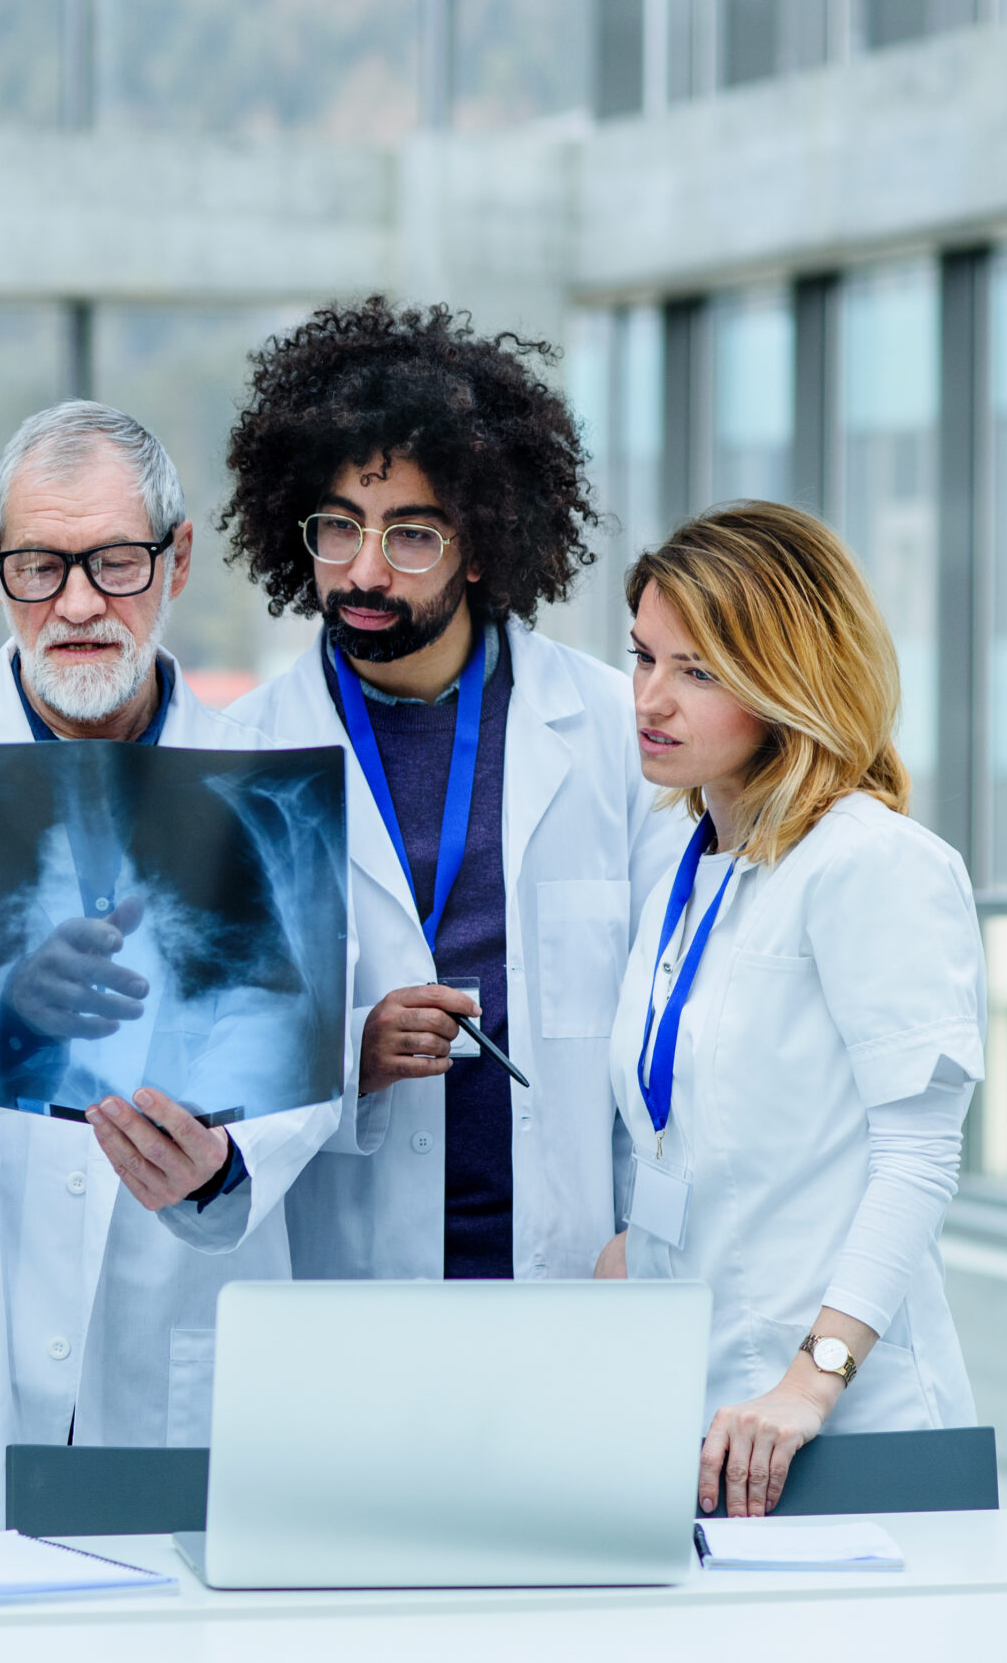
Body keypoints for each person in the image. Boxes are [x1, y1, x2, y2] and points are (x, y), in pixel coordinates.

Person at [0, 401, 411, 1538]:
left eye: (114, 563)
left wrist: (220, 1167)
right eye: (39, 566)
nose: (75, 603)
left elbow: (302, 1038)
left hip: (172, 1338)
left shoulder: (268, 784)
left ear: (176, 561)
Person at [221, 296, 687, 1284]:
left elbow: (673, 1018)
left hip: (575, 1266)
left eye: (412, 536)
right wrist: (351, 1049)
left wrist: (648, 1234)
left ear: (480, 545)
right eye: (337, 528)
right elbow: (220, 1035)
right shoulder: (246, 756)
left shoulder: (612, 731)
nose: (365, 571)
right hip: (350, 1273)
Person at [595, 500, 983, 1519]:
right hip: (709, 1417)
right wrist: (638, 1252)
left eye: (698, 671)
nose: (649, 697)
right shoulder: (690, 871)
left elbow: (917, 1158)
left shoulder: (873, 866)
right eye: (642, 657)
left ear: (786, 681)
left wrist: (810, 1380)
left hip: (842, 1425)